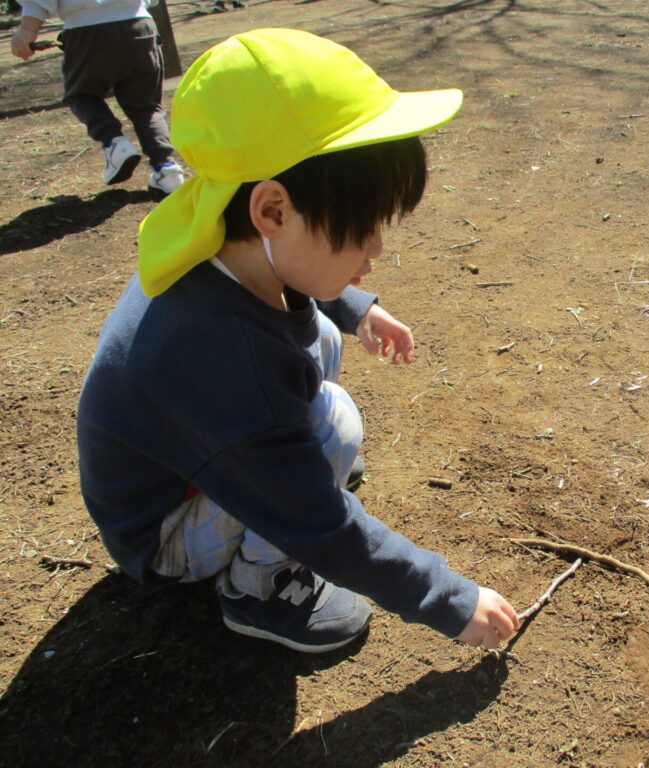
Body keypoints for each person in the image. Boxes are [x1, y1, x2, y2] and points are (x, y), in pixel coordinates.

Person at [76, 28, 519, 653]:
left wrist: (356, 308)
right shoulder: (225, 358)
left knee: (319, 334)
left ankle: (284, 470)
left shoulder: (214, 232)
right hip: (163, 535)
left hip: (195, 457)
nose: (376, 250)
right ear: (273, 211)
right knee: (333, 423)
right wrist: (448, 598)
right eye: (362, 230)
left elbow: (290, 268)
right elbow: (320, 523)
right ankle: (260, 590)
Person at [10, 0, 185, 195]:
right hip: (140, 26)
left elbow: (38, 2)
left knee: (81, 95)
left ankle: (113, 141)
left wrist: (26, 31)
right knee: (146, 106)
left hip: (86, 31)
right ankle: (167, 169)